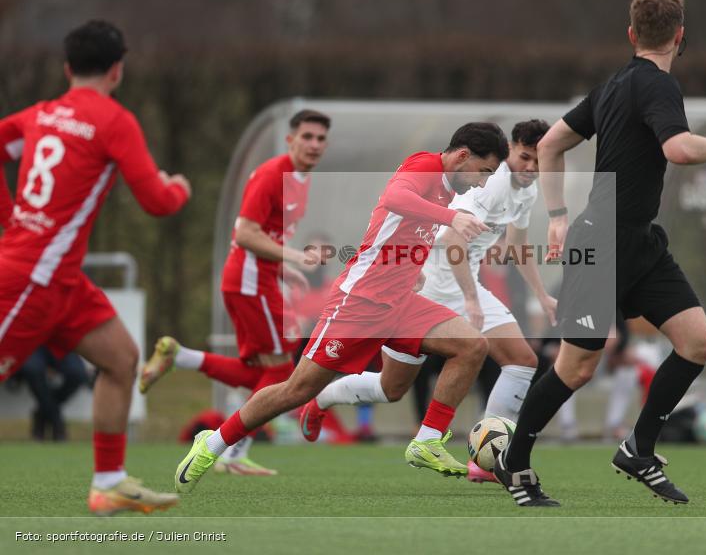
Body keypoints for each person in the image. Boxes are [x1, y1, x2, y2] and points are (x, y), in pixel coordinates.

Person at [494, 0, 706, 507]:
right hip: (604, 238)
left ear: (632, 35)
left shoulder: (612, 86)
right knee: (576, 368)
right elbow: (677, 149)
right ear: (680, 37)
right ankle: (513, 462)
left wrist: (559, 216)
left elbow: (549, 145)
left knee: (697, 342)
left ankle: (638, 448)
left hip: (637, 241)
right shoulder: (658, 86)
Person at [174, 122, 508, 493]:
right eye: (484, 172)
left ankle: (427, 440)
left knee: (469, 346)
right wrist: (453, 218)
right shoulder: (425, 168)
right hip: (360, 303)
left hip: (400, 302)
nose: (482, 183)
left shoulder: (446, 185)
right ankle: (214, 442)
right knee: (295, 389)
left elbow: (399, 226)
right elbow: (396, 198)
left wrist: (412, 268)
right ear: (463, 156)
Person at [295, 119, 558, 483]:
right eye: (526, 157)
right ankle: (324, 396)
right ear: (511, 148)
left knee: (522, 361)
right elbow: (452, 240)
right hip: (434, 285)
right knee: (391, 389)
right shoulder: (489, 184)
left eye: (539, 162)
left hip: (468, 286)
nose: (531, 168)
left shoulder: (525, 190)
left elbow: (518, 246)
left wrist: (542, 295)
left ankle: (491, 460)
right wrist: (470, 298)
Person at [0, 20, 190, 515]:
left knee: (121, 359)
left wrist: (9, 216)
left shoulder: (40, 114)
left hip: (60, 280)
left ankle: (108, 484)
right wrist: (179, 188)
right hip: (29, 279)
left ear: (67, 68)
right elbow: (157, 201)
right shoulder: (113, 120)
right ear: (117, 69)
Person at [139, 109, 329, 475]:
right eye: (307, 136)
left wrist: (286, 269)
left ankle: (179, 356)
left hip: (256, 279)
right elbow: (244, 233)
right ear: (290, 140)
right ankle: (231, 452)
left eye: (320, 139)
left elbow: (267, 236)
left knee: (255, 373)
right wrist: (294, 257)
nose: (314, 145)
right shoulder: (273, 175)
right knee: (283, 374)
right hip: (249, 282)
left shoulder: (299, 180)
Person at [18, 346, 90, 441]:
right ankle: (57, 422)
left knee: (78, 374)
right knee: (32, 370)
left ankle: (42, 414)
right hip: (33, 344)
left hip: (59, 342)